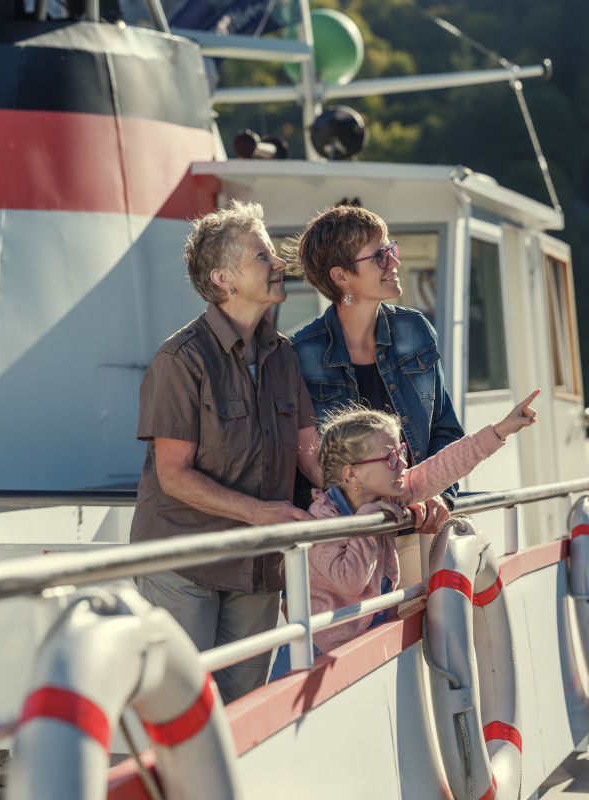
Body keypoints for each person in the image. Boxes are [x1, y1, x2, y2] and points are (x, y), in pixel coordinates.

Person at [129, 199, 321, 704]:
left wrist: (380, 489)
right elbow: (173, 475)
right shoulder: (180, 360)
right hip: (183, 564)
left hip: (256, 567)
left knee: (241, 717)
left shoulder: (283, 357)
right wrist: (262, 513)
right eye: (262, 255)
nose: (279, 262)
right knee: (182, 718)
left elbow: (311, 455)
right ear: (223, 279)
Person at [306, 389, 539, 654]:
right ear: (352, 474)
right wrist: (369, 520)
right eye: (391, 458)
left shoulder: (391, 492)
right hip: (324, 650)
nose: (403, 462)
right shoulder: (323, 517)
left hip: (370, 630)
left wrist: (500, 430)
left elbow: (442, 467)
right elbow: (350, 582)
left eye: (401, 450)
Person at [287, 205, 465, 536]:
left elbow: (445, 429)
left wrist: (438, 493)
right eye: (380, 256)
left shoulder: (416, 330)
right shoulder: (300, 353)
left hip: (418, 526)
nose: (394, 262)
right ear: (340, 277)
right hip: (348, 539)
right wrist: (375, 505)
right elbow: (312, 461)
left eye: (391, 249)